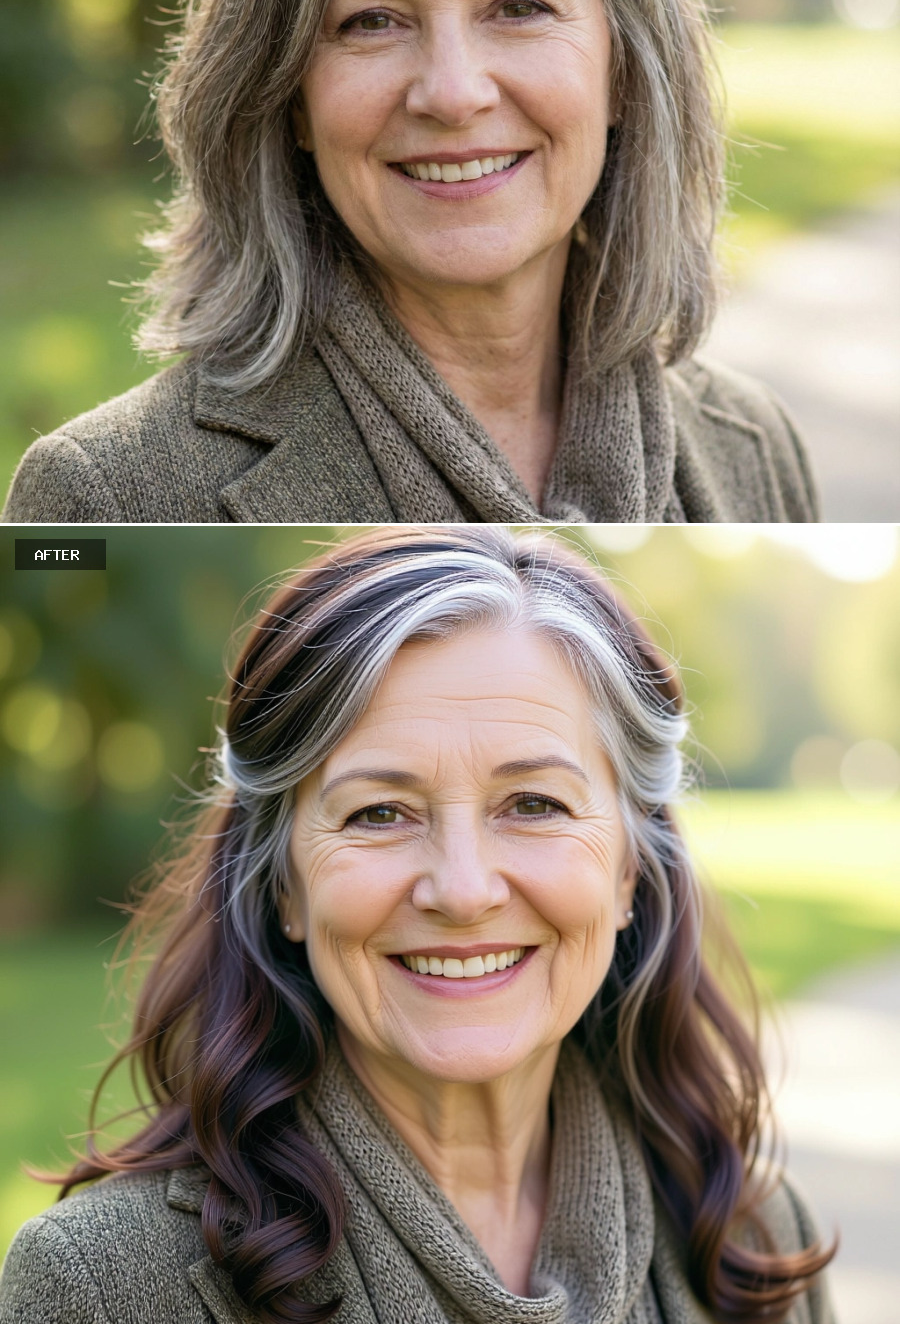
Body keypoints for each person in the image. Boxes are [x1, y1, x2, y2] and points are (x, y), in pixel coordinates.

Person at [0, 527, 835, 1323]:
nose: (463, 890)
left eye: (535, 804)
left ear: (627, 870)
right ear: (284, 884)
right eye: (379, 813)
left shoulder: (757, 1242)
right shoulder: (99, 1288)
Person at [3, 0, 818, 526]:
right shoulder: (105, 496)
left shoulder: (754, 446)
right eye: (371, 22)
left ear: (626, 70)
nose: (453, 92)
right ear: (288, 96)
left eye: (520, 7)